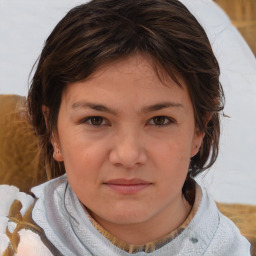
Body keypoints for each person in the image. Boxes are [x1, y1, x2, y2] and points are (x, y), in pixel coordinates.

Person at [0, 0, 251, 255]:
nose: (128, 156)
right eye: (96, 120)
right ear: (53, 132)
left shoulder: (232, 248)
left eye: (159, 120)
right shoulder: (13, 239)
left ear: (198, 130)